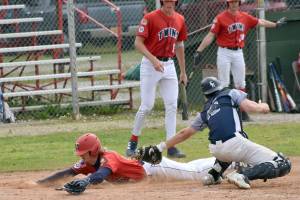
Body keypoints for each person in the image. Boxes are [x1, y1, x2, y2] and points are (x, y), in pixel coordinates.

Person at [148, 77, 291, 189]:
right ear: (219, 87)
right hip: (234, 145)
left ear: (206, 95)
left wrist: (160, 147)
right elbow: (250, 107)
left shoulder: (205, 110)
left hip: (217, 151)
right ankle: (242, 175)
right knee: (283, 163)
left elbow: (184, 133)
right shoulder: (230, 93)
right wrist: (263, 106)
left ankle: (213, 175)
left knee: (231, 147)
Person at [193, 0, 287, 121]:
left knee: (241, 83)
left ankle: (242, 112)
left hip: (238, 52)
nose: (234, 4)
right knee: (223, 83)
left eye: (236, 2)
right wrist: (199, 50)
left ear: (239, 3)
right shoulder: (220, 18)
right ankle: (224, 112)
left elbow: (260, 21)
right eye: (231, 2)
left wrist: (275, 24)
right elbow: (211, 35)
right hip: (224, 52)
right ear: (228, 3)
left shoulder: (245, 17)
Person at [37, 133, 218, 195]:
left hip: (154, 169)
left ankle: (227, 161)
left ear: (93, 151)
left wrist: (86, 181)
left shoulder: (109, 157)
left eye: (83, 153)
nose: (81, 157)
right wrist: (39, 184)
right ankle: (216, 161)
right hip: (147, 174)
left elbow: (101, 175)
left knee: (193, 172)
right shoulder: (87, 163)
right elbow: (67, 172)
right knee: (190, 168)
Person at [125, 0, 188, 158]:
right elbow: (138, 43)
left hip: (169, 65)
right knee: (147, 105)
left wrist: (183, 71)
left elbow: (180, 45)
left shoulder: (180, 19)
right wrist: (153, 60)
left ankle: (171, 146)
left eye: (171, 0)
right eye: (166, 0)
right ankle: (132, 142)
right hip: (150, 64)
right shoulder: (150, 17)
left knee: (172, 105)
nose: (169, 3)